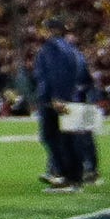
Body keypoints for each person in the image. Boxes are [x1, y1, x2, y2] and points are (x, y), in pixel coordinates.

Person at [31, 17, 96, 192]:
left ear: (50, 30)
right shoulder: (70, 48)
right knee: (69, 137)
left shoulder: (53, 48)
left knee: (54, 137)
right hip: (70, 97)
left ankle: (66, 176)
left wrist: (56, 97)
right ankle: (72, 176)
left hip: (55, 100)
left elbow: (55, 75)